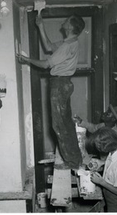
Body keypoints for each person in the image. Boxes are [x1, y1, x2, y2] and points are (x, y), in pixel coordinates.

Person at [16, 14, 85, 170]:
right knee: (64, 123)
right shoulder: (69, 42)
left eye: (66, 20)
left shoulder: (67, 46)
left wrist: (26, 60)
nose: (64, 21)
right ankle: (74, 158)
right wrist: (41, 26)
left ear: (70, 27)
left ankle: (72, 162)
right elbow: (48, 47)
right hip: (63, 84)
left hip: (60, 85)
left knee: (59, 125)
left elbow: (46, 64)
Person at [90, 127, 117, 212]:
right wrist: (101, 162)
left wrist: (101, 182)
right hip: (111, 196)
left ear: (105, 146)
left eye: (98, 146)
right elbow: (113, 162)